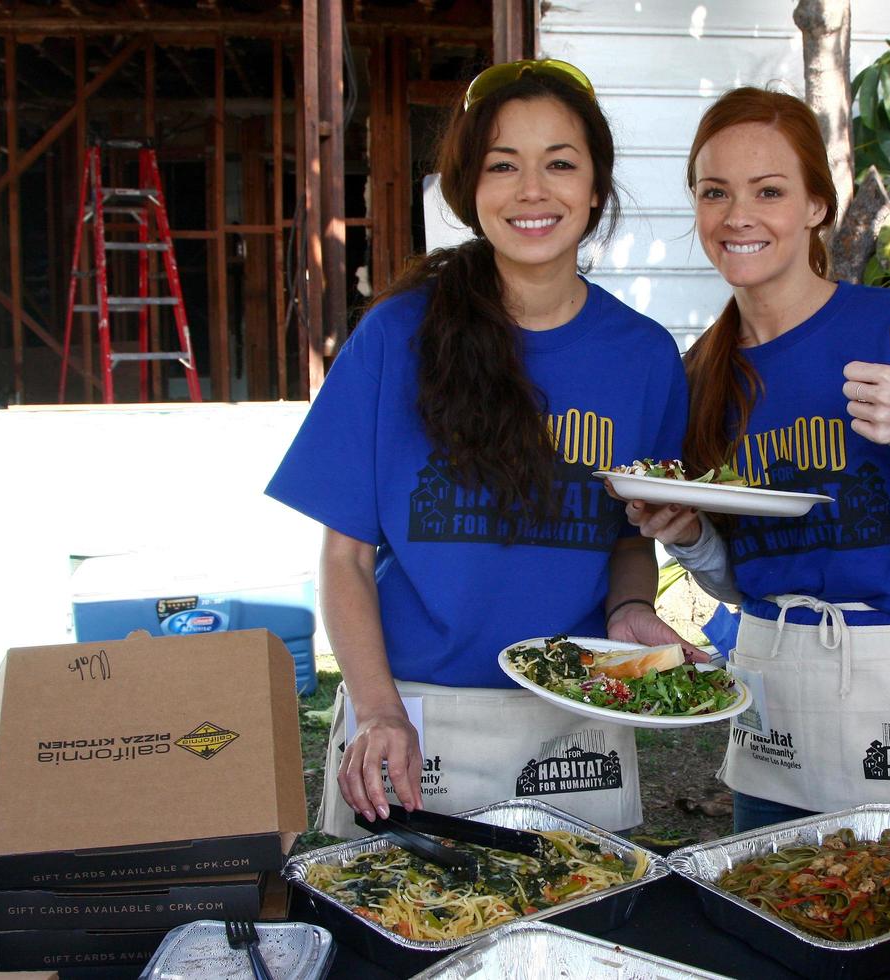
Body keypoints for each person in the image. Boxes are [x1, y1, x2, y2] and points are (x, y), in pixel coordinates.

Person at [266, 59, 693, 836]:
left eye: (560, 163)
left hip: (577, 715)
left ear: (596, 187)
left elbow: (632, 535)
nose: (533, 190)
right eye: (504, 166)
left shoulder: (644, 357)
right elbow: (344, 559)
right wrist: (379, 712)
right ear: (470, 191)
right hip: (412, 719)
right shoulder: (396, 338)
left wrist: (632, 606)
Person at [614, 88, 890, 833]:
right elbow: (741, 581)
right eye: (715, 192)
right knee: (776, 913)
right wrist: (691, 536)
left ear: (817, 207)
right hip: (773, 689)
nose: (739, 215)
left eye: (769, 191)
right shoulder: (701, 373)